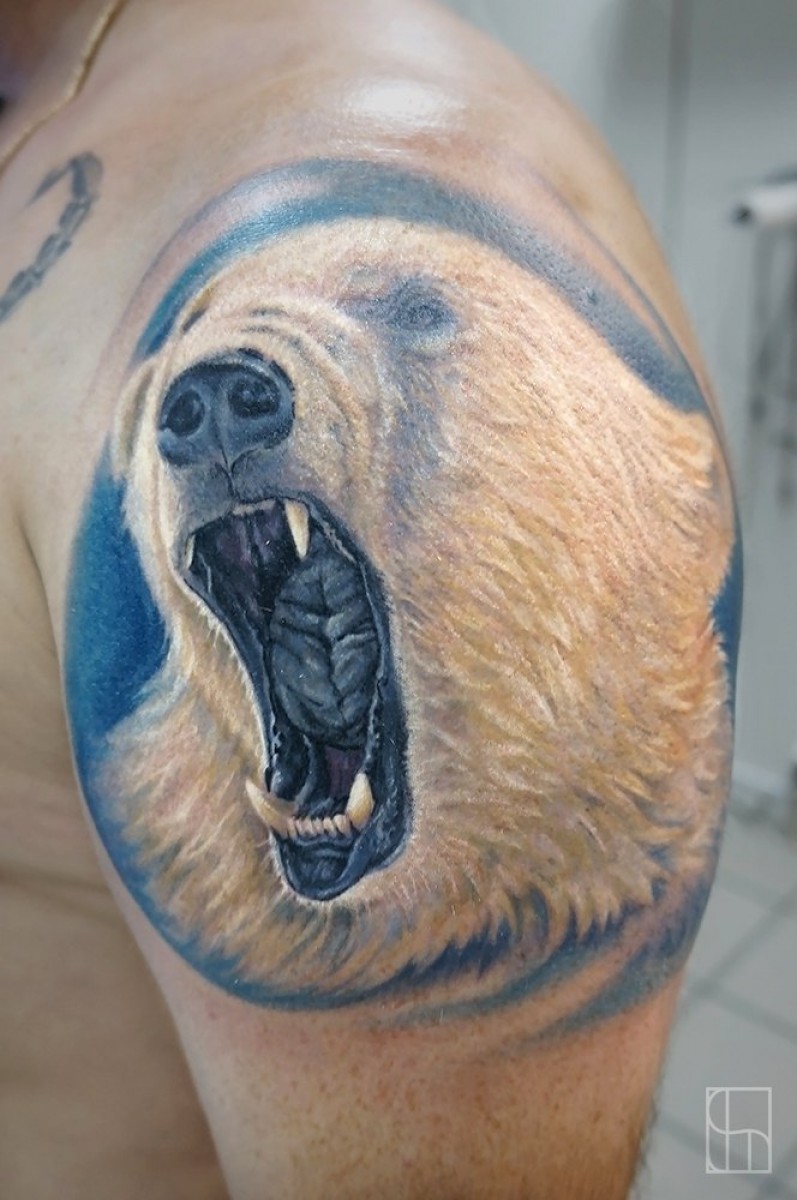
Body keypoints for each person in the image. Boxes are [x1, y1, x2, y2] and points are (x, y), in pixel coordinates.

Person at [0, 1, 742, 1197]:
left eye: (416, 319)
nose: (209, 407)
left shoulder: (325, 136)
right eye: (180, 402)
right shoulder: (59, 117)